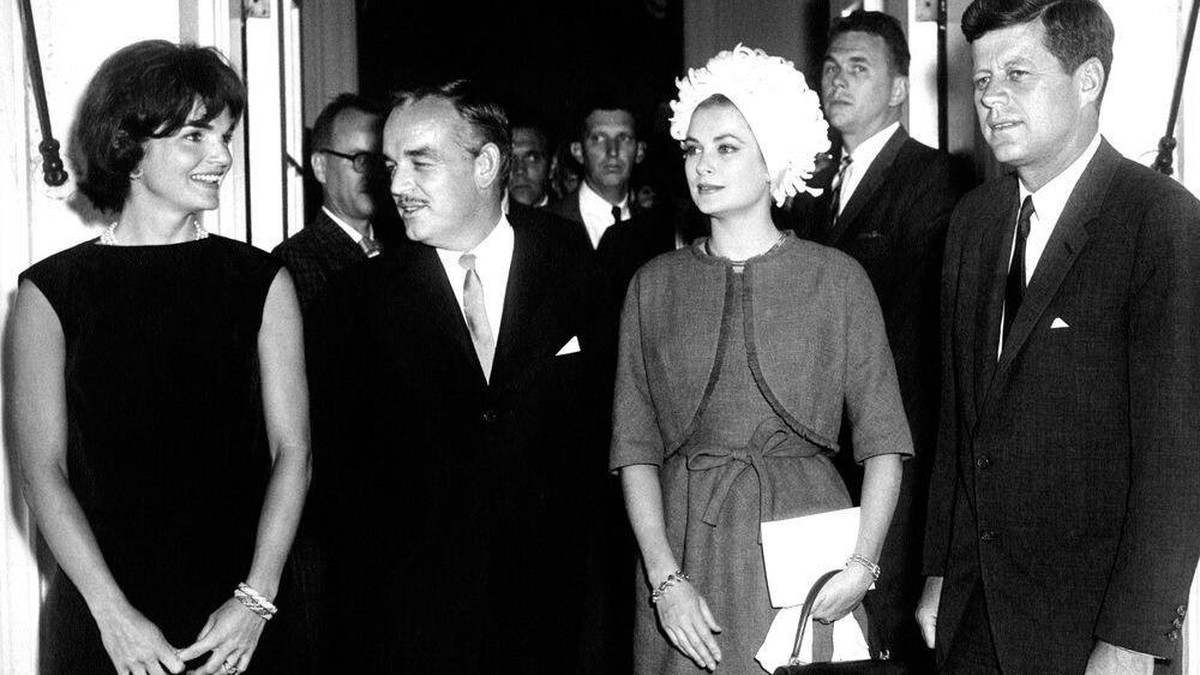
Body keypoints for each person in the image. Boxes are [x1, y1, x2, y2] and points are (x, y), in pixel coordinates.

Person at [8, 40, 310, 675]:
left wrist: (255, 601)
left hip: (239, 620)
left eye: (225, 136)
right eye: (196, 136)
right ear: (129, 147)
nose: (221, 156)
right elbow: (42, 472)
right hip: (103, 619)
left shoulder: (261, 281)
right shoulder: (50, 292)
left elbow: (294, 453)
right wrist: (113, 616)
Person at [918, 1, 1200, 673]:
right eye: (982, 80)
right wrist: (937, 572)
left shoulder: (1160, 221)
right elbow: (959, 424)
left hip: (1093, 629)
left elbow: (1177, 456)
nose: (991, 99)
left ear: (1088, 80)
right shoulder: (974, 221)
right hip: (974, 615)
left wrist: (1131, 640)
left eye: (1017, 74)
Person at [611, 45, 911, 675]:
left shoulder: (838, 279)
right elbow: (634, 450)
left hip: (809, 557)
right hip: (684, 556)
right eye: (693, 149)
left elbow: (885, 444)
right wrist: (665, 583)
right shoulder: (652, 285)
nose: (703, 166)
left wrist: (862, 566)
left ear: (774, 155)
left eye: (727, 148)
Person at [310, 79, 613, 672]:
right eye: (391, 166)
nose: (397, 185)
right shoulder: (354, 303)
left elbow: (604, 446)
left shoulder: (578, 269)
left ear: (486, 164)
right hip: (413, 637)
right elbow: (342, 498)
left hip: (554, 623)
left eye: (420, 163)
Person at [790, 9, 964, 665]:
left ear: (898, 88)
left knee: (882, 626)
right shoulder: (809, 186)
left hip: (892, 445)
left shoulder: (933, 179)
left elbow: (918, 334)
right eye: (831, 68)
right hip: (820, 446)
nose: (837, 80)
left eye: (858, 68)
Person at [274, 94, 386, 315]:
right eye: (360, 159)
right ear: (320, 167)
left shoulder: (403, 246)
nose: (373, 173)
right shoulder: (294, 261)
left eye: (380, 160)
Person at [549, 96, 647, 248]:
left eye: (624, 138)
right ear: (578, 151)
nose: (612, 151)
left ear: (639, 151)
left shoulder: (657, 228)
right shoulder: (546, 224)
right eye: (598, 139)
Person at [507, 122, 554, 209]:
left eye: (532, 159)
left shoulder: (572, 214)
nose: (519, 170)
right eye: (510, 160)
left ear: (552, 166)